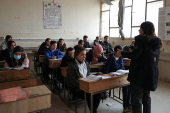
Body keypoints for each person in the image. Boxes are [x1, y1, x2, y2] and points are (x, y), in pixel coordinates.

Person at [117, 21, 162, 113]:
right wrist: (134, 50)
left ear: (144, 30)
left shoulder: (141, 40)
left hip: (139, 75)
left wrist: (121, 53)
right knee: (146, 98)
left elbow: (135, 56)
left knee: (136, 99)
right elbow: (146, 54)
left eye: (140, 28)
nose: (139, 30)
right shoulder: (155, 42)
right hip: (150, 74)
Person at [66, 47, 101, 113]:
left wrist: (89, 80)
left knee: (98, 94)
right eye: (82, 55)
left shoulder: (86, 63)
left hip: (86, 84)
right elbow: (73, 81)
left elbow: (88, 75)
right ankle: (94, 111)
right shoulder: (72, 65)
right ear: (76, 55)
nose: (84, 56)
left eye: (85, 54)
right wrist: (83, 83)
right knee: (90, 95)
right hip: (75, 88)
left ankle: (93, 111)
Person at [105, 45, 132, 112]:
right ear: (114, 51)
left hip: (120, 77)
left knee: (128, 86)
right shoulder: (109, 59)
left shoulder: (121, 58)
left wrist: (123, 72)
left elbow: (122, 68)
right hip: (112, 78)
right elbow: (106, 71)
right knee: (126, 86)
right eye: (119, 52)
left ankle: (128, 105)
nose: (120, 54)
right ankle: (126, 106)